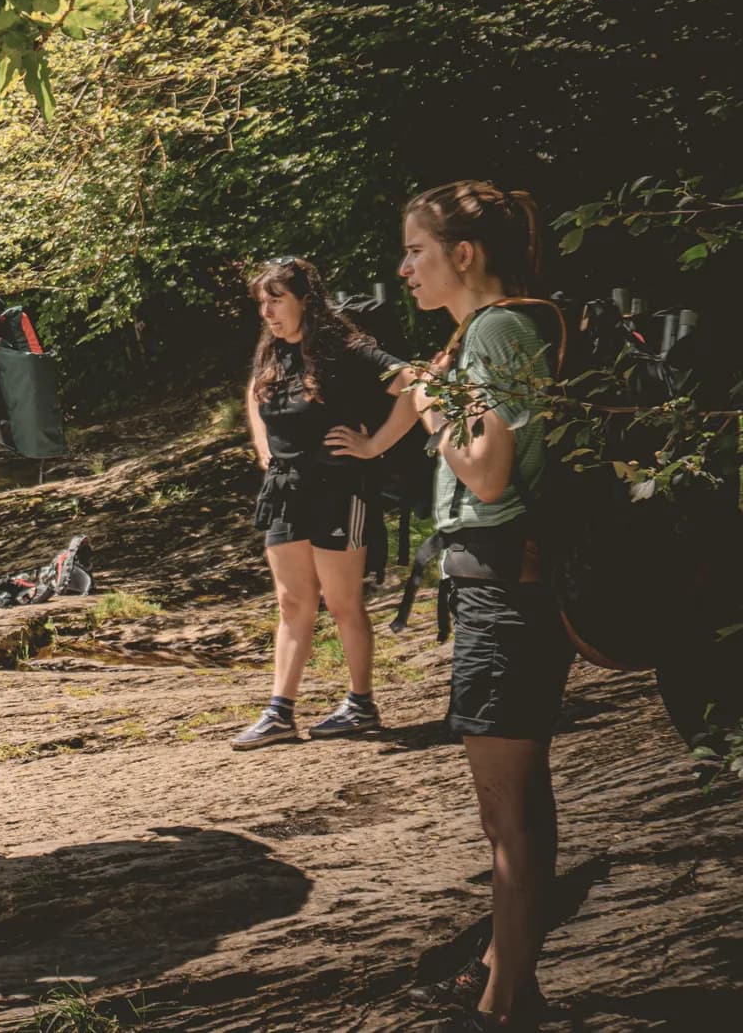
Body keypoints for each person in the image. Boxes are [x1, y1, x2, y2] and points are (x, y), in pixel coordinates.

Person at [394, 181, 566, 1032]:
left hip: (504, 585)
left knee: (505, 809)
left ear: (464, 255)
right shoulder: (500, 329)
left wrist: (431, 407)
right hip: (503, 582)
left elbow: (488, 470)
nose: (404, 269)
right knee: (520, 797)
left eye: (416, 251)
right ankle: (507, 977)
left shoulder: (500, 328)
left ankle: (505, 1003)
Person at [234, 257, 420, 749]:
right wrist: (263, 449)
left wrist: (375, 445)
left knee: (341, 603)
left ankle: (360, 703)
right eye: (262, 302)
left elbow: (415, 384)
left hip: (341, 490)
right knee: (292, 601)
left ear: (304, 301)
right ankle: (279, 713)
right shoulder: (272, 351)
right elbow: (254, 396)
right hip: (285, 492)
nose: (267, 312)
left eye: (276, 300)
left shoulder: (346, 349)